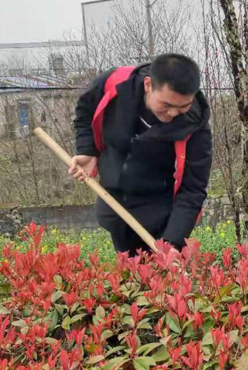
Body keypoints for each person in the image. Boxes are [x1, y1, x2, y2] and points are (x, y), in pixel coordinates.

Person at [70, 53, 212, 255]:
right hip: (114, 206)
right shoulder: (116, 84)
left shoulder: (195, 128)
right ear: (148, 85)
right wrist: (87, 150)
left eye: (183, 107)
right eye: (166, 105)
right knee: (126, 269)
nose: (173, 113)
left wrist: (172, 242)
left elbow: (193, 188)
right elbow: (85, 111)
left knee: (161, 272)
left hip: (160, 219)